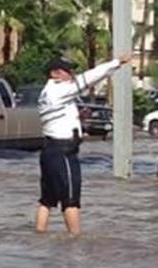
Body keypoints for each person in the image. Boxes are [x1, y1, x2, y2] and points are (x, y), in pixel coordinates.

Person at [35, 53, 132, 236]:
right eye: (68, 71)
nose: (72, 75)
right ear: (55, 74)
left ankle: (39, 236)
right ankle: (75, 241)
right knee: (71, 199)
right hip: (63, 151)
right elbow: (90, 78)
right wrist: (117, 62)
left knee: (47, 200)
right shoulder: (59, 91)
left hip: (49, 150)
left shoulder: (46, 92)